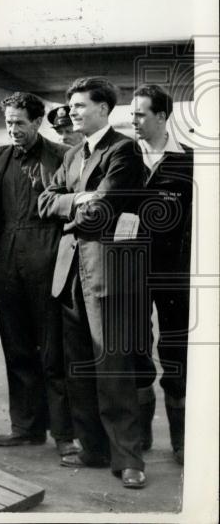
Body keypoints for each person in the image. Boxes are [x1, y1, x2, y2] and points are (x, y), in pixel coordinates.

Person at [38, 77, 147, 490]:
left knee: (113, 367)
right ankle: (95, 449)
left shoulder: (123, 150)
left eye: (81, 105)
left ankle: (129, 459)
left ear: (104, 109)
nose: (72, 113)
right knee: (79, 366)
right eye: (71, 106)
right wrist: (76, 201)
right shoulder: (72, 156)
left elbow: (103, 209)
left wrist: (75, 205)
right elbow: (44, 200)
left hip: (105, 274)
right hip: (70, 276)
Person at [0, 92, 77, 457]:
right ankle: (26, 428)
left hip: (48, 263)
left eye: (20, 123)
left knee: (53, 353)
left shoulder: (61, 157)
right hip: (6, 265)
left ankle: (64, 435)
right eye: (9, 122)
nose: (13, 129)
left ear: (37, 122)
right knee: (16, 348)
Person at [130, 83, 193, 464]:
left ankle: (182, 440)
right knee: (136, 352)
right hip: (131, 273)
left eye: (140, 114)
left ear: (161, 116)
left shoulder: (190, 164)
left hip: (175, 277)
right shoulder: (123, 159)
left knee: (176, 354)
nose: (132, 121)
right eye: (132, 114)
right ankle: (140, 435)